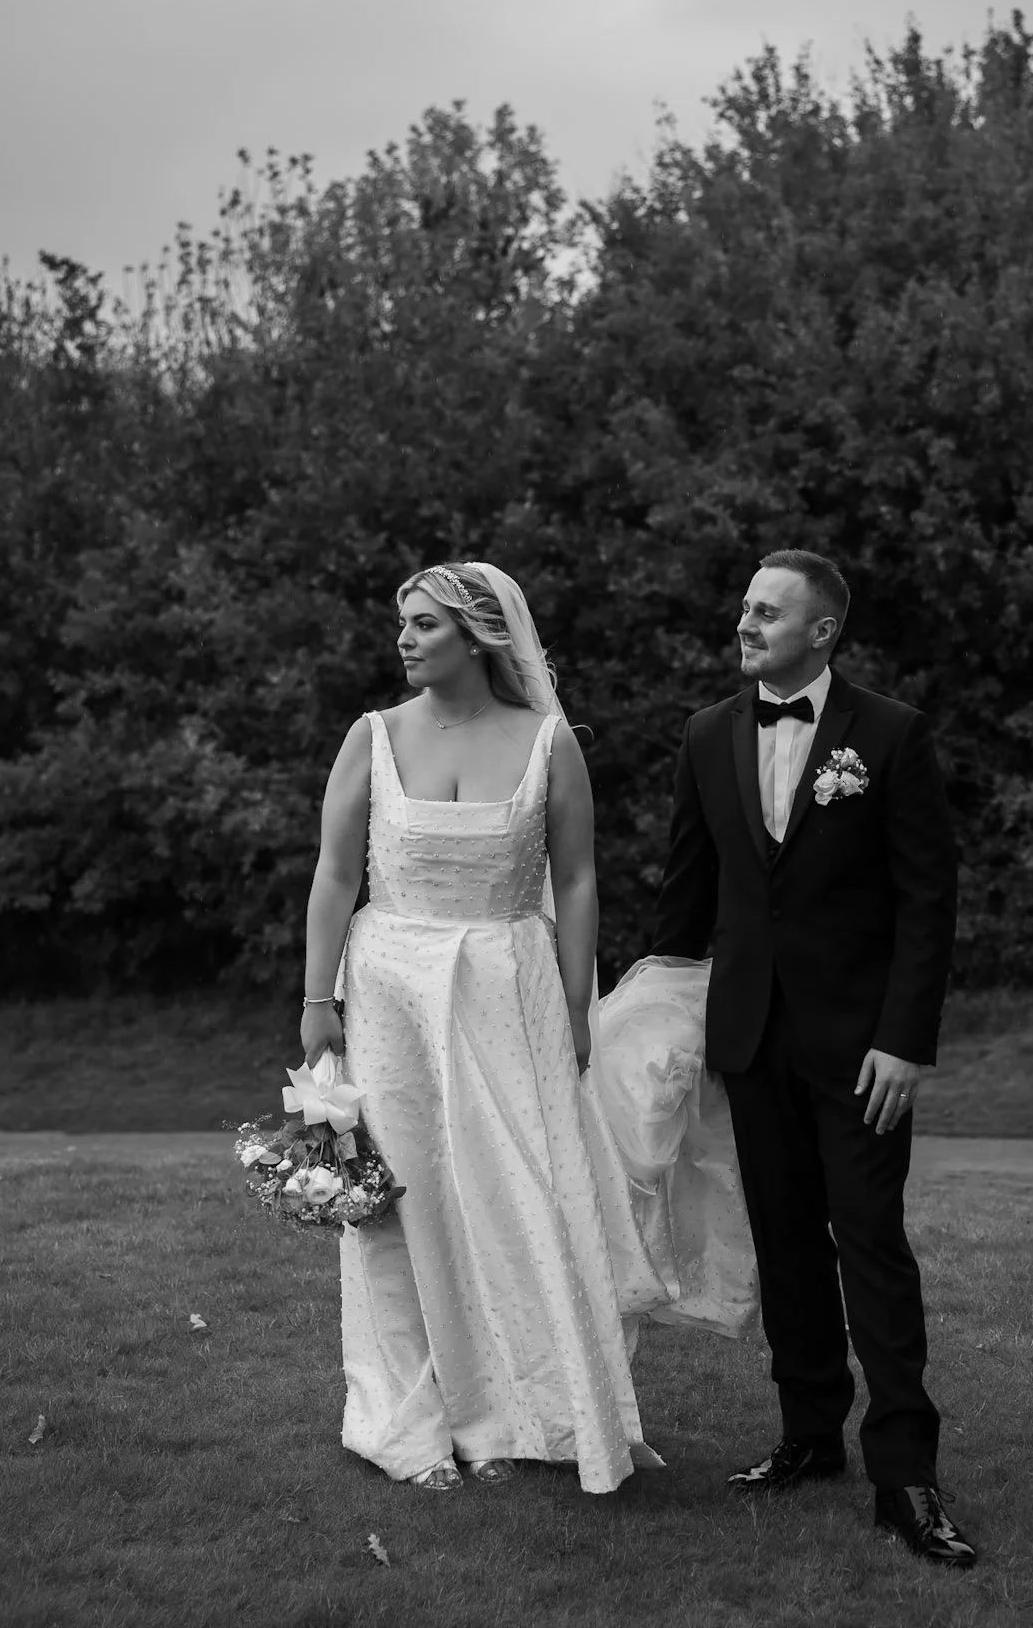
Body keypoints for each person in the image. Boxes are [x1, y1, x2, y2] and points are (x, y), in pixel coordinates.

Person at [299, 560, 665, 1494]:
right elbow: (337, 876)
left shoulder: (547, 742)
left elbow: (577, 879)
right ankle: (408, 1416)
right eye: (403, 623)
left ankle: (518, 1410)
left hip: (511, 990)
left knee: (520, 1196)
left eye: (423, 625)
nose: (404, 639)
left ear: (478, 637)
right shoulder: (371, 737)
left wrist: (580, 1005)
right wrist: (316, 1000)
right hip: (389, 995)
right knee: (400, 1199)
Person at [649, 548, 977, 1568]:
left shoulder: (890, 734)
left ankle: (905, 1473)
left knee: (870, 1240)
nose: (744, 622)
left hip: (860, 1045)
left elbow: (928, 900)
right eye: (743, 604)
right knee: (786, 1241)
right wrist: (639, 1018)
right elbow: (686, 895)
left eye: (767, 610)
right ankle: (806, 1436)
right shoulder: (707, 735)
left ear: (823, 628)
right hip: (751, 1038)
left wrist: (904, 1041)